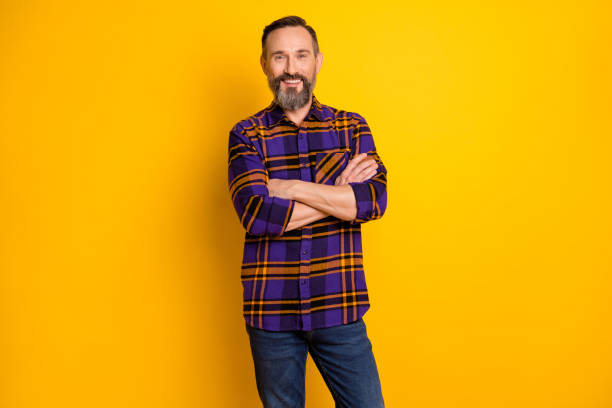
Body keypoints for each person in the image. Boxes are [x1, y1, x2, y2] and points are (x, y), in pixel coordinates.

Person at [227, 15, 387, 408]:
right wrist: (338, 196)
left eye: (300, 55)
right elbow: (257, 215)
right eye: (279, 57)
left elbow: (372, 202)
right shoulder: (246, 134)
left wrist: (293, 189)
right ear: (265, 65)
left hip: (340, 306)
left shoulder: (351, 127)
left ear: (317, 61)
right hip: (271, 315)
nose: (291, 68)